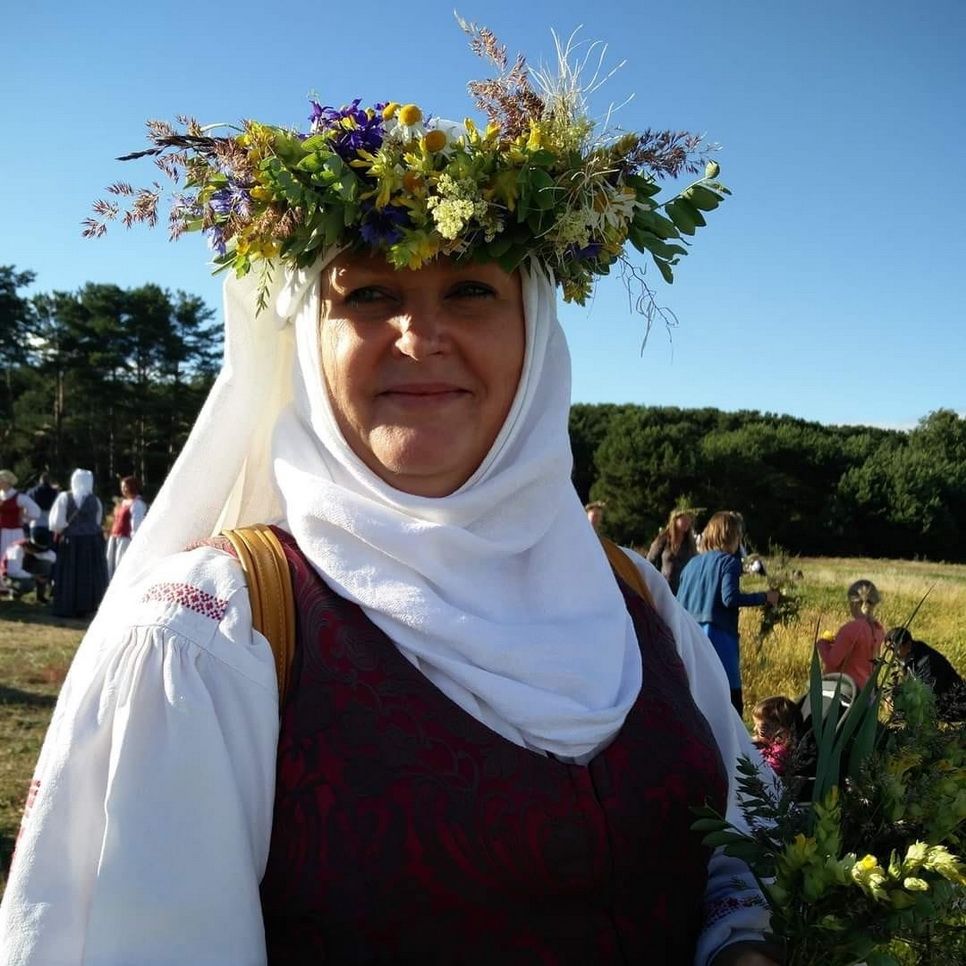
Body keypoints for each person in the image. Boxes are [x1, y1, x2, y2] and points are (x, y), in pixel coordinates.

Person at [0, 35, 781, 966]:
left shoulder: (637, 602)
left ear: (537, 338)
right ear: (305, 340)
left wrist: (746, 939)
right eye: (369, 293)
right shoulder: (214, 638)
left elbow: (745, 851)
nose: (421, 334)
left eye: (471, 288)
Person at [677, 511, 780, 716]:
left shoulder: (690, 565)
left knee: (695, 700)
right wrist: (765, 597)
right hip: (719, 638)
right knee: (730, 704)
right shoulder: (728, 562)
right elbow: (730, 598)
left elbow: (677, 603)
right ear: (732, 536)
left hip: (688, 638)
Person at [48, 469, 109, 618]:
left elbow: (56, 523)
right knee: (88, 574)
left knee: (69, 573)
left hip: (71, 542)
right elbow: (97, 521)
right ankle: (87, 606)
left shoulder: (64, 498)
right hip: (92, 542)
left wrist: (67, 528)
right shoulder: (95, 500)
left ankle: (67, 605)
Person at [885, 626, 966, 719]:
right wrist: (892, 694)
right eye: (890, 650)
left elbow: (925, 689)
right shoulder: (909, 654)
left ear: (907, 645)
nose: (892, 654)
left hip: (953, 703)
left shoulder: (925, 659)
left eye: (894, 649)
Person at [820, 579, 884, 691]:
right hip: (866, 690)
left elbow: (832, 661)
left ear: (854, 603)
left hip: (846, 691)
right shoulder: (879, 629)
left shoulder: (851, 629)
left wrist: (822, 644)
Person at [646, 506, 699, 595]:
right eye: (684, 519)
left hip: (685, 588)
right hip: (665, 588)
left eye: (689, 520)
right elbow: (650, 560)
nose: (687, 522)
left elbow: (695, 562)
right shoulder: (663, 539)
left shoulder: (690, 543)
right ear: (675, 520)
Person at [105, 475, 148, 579]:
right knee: (110, 563)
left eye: (125, 487)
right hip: (115, 537)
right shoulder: (123, 503)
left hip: (125, 538)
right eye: (122, 487)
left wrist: (135, 541)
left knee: (120, 563)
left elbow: (136, 524)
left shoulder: (137, 504)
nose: (123, 490)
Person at [751, 695, 803, 778]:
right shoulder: (769, 744)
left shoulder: (779, 753)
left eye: (762, 728)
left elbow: (768, 772)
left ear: (781, 729)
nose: (754, 729)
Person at [0, 537, 56, 603]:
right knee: (28, 584)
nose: (36, 552)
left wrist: (36, 554)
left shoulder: (34, 548)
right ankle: (15, 594)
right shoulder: (16, 550)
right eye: (35, 550)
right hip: (7, 577)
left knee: (45, 564)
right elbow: (14, 572)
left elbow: (53, 557)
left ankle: (41, 596)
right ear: (27, 547)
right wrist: (34, 577)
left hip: (24, 571)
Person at [0, 469, 40, 560]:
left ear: (6, 482)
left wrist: (24, 519)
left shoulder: (19, 497)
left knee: (13, 556)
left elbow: (36, 511)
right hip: (2, 531)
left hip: (14, 532)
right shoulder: (1, 496)